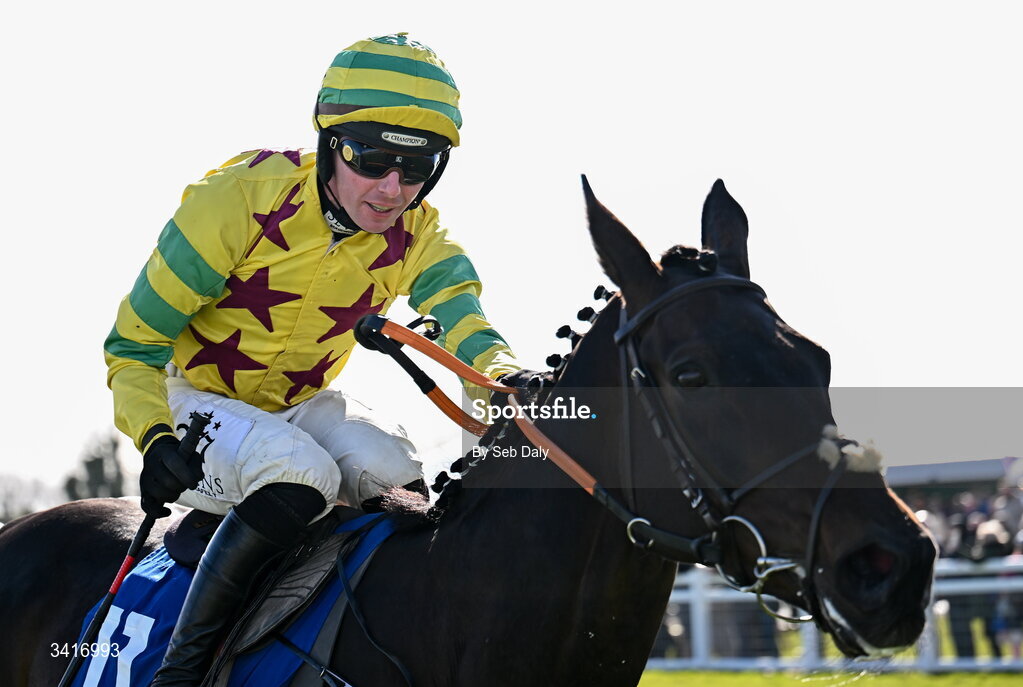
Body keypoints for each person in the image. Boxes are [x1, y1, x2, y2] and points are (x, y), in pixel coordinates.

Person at [103, 33, 518, 685]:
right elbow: (133, 347)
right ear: (329, 139)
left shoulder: (421, 234)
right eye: (371, 158)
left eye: (416, 168)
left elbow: (465, 317)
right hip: (188, 399)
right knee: (301, 474)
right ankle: (179, 675)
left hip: (294, 407)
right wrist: (153, 435)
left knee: (396, 472)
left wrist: (507, 378)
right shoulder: (236, 201)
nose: (390, 189)